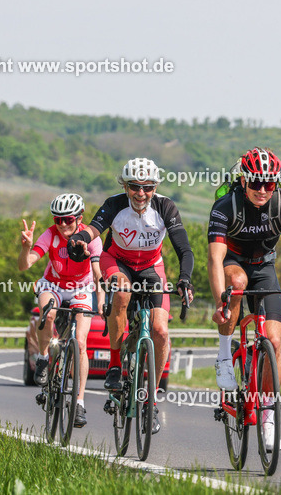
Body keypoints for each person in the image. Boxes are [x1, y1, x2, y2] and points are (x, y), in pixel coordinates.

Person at [67, 157, 194, 435]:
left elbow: (184, 249)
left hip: (151, 266)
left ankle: (151, 400)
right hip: (118, 261)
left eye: (147, 188)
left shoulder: (165, 207)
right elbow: (92, 229)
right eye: (135, 187)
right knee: (122, 294)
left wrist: (185, 279)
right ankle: (115, 363)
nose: (141, 193)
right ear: (125, 186)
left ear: (154, 187)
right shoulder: (114, 204)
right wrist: (79, 241)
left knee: (160, 331)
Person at [207, 147, 281, 452]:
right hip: (233, 265)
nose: (263, 190)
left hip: (265, 267)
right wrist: (220, 304)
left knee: (275, 343)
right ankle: (225, 354)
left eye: (269, 184)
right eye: (256, 183)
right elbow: (215, 259)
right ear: (243, 181)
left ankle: (267, 414)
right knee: (237, 282)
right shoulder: (226, 206)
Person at [19, 192, 103, 428]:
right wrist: (26, 247)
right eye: (58, 220)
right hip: (53, 284)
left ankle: (79, 403)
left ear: (79, 218)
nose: (63, 224)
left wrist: (103, 302)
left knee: (81, 342)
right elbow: (25, 265)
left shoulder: (92, 237)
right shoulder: (50, 234)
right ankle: (44, 358)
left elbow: (98, 275)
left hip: (81, 288)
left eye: (68, 219)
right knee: (49, 312)